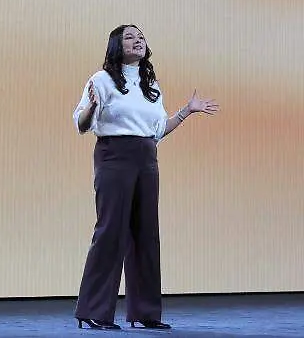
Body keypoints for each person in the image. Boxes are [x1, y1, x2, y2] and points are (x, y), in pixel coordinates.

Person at [72, 25, 219, 331]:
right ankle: (94, 311)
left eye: (140, 36)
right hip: (114, 156)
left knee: (146, 233)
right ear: (116, 45)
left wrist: (187, 111)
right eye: (129, 37)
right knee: (111, 230)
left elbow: (157, 130)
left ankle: (145, 312)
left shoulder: (149, 83)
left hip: (147, 157)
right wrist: (92, 107)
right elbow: (82, 125)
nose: (137, 40)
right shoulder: (101, 80)